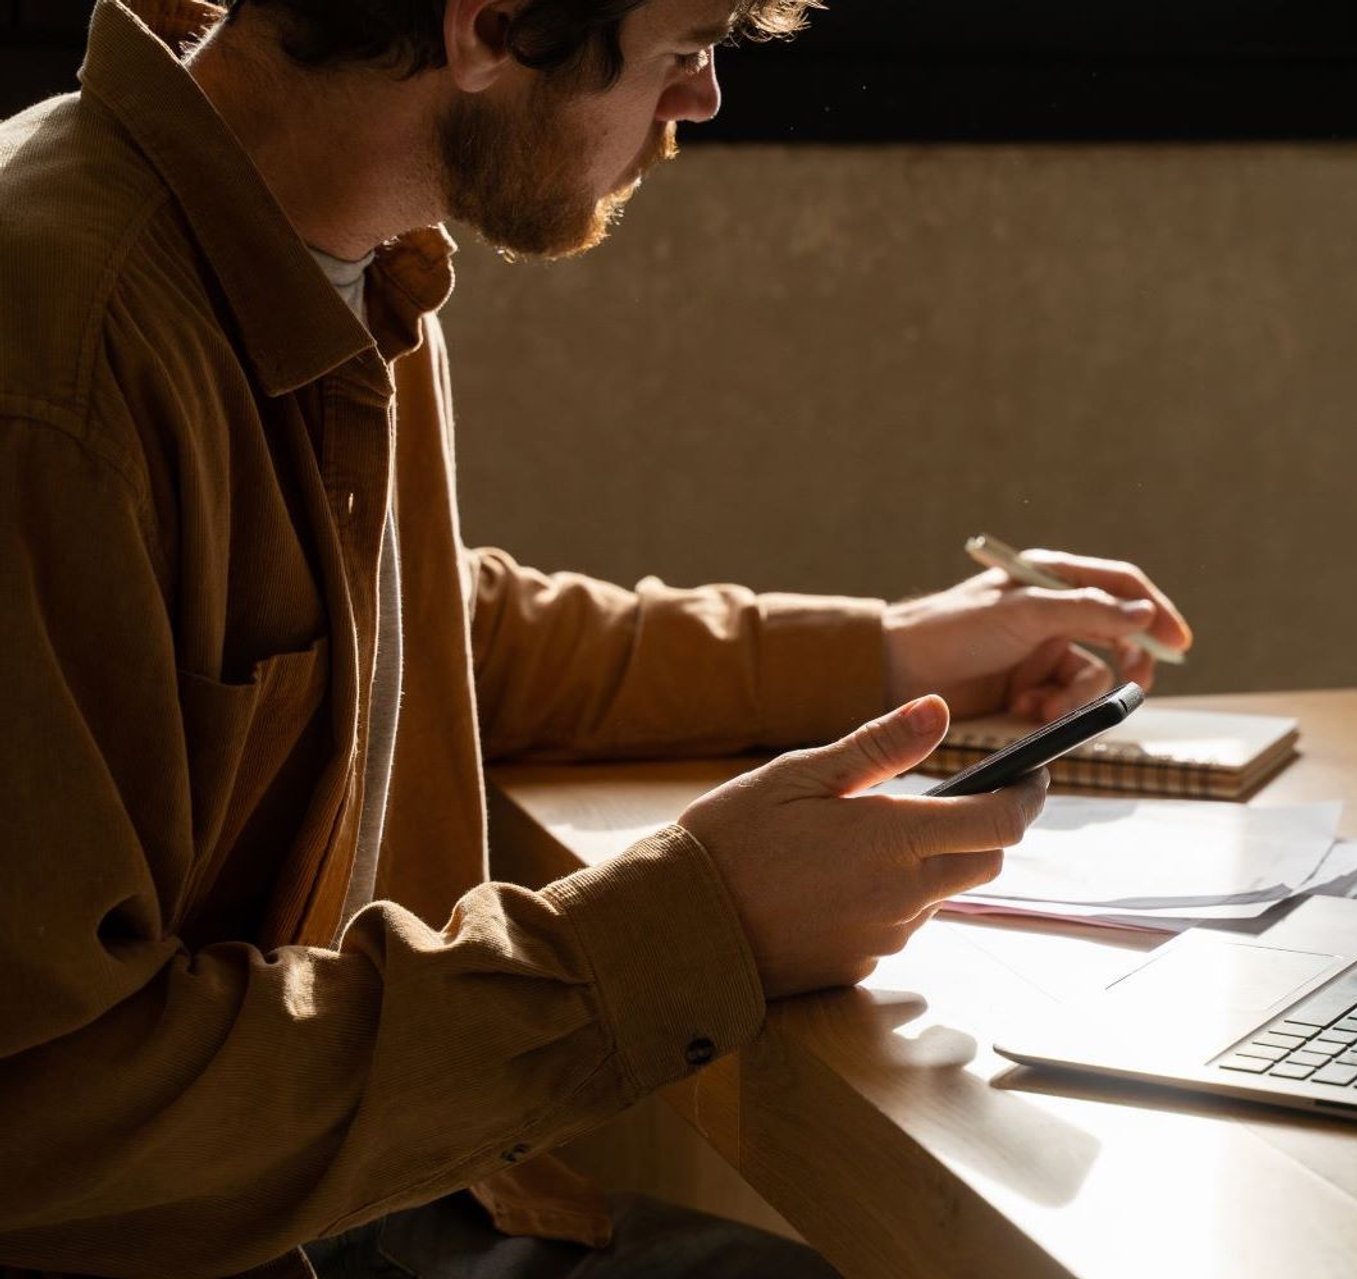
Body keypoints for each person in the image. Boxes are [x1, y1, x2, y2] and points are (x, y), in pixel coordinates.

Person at [0, 0, 1194, 1274]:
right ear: (488, 28)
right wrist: (692, 924)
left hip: (335, 1202)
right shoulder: (58, 360)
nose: (702, 104)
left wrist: (900, 652)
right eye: (683, 50)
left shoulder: (331, 248)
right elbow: (48, 1114)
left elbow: (434, 628)